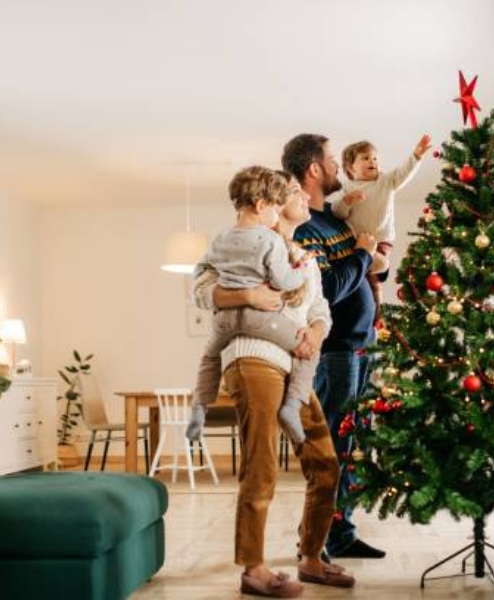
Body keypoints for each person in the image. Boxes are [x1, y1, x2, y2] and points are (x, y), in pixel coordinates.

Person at [195, 168, 355, 597]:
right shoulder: (238, 244)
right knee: (261, 463)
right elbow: (201, 290)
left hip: (295, 364)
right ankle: (254, 569)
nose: (306, 198)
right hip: (253, 358)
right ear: (274, 203)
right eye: (297, 194)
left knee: (325, 463)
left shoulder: (306, 256)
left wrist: (317, 333)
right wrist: (247, 296)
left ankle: (311, 557)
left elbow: (320, 307)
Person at [282, 134, 386, 560]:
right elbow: (326, 288)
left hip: (360, 349)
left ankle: (341, 534)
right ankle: (314, 538)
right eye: (330, 159)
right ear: (313, 170)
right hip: (335, 353)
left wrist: (375, 260)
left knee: (352, 448)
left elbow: (362, 271)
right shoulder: (306, 226)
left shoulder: (337, 221)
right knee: (330, 452)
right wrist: (362, 256)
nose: (337, 167)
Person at [187, 166, 316, 444]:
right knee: (308, 352)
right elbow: (283, 281)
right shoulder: (270, 239)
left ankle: (199, 407)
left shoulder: (221, 237)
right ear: (260, 205)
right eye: (275, 208)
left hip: (224, 321)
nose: (277, 214)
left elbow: (200, 273)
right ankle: (292, 407)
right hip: (261, 321)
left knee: (209, 358)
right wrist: (302, 272)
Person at [332, 135, 431, 311]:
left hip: (381, 239)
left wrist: (416, 156)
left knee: (377, 275)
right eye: (365, 158)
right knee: (367, 277)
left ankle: (378, 305)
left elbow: (403, 173)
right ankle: (368, 301)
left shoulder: (385, 181)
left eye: (375, 158)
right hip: (356, 242)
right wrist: (348, 200)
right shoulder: (347, 188)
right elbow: (338, 213)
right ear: (350, 167)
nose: (373, 161)